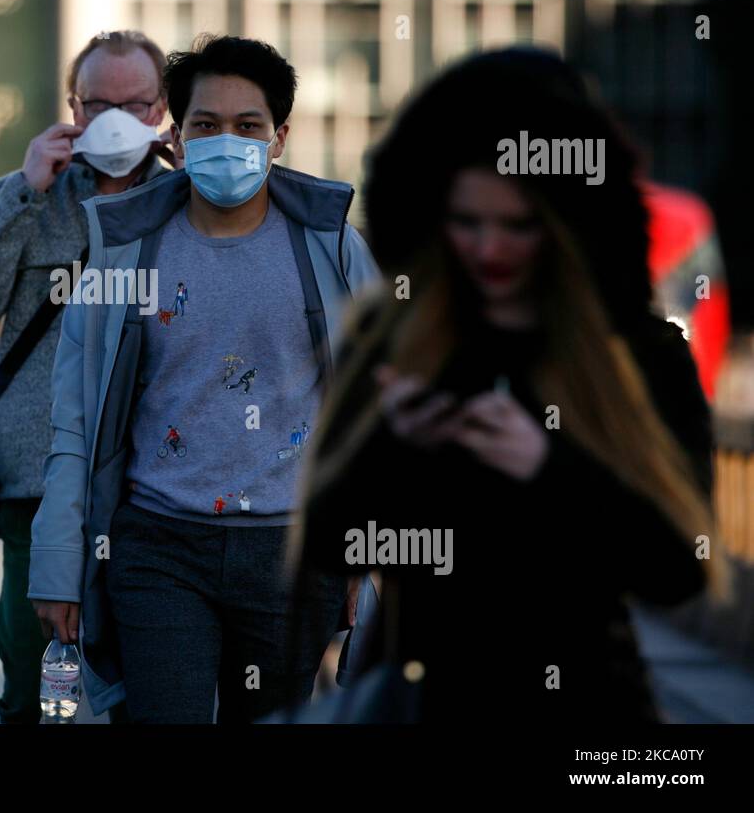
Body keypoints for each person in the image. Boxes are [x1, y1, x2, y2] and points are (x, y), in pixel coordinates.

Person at [293, 47, 730, 722]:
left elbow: (678, 563)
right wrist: (392, 443)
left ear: (564, 224)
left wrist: (546, 466)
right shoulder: (398, 338)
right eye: (468, 224)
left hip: (586, 703)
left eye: (517, 226)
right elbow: (330, 540)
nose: (490, 250)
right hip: (424, 696)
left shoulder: (639, 357)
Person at [28, 34, 380, 723]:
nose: (227, 141)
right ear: (177, 139)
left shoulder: (331, 247)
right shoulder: (123, 253)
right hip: (158, 546)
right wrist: (56, 562)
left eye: (247, 126)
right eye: (205, 126)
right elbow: (75, 419)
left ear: (278, 138)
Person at [0, 30, 171, 723]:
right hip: (36, 485)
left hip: (154, 486)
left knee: (151, 684)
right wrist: (24, 193)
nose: (120, 119)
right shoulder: (26, 196)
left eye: (138, 103)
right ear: (73, 106)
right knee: (37, 691)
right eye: (100, 104)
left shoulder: (189, 200)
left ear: (161, 110)